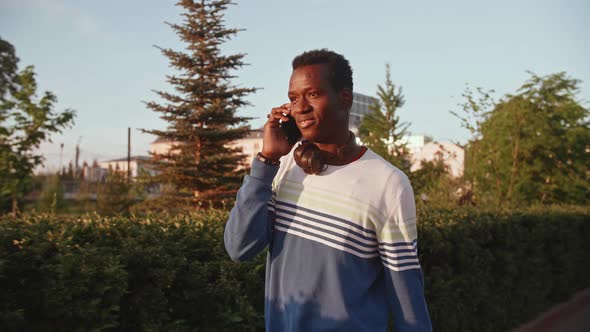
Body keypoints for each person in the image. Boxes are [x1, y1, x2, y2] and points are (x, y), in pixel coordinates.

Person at [224, 49, 432, 331]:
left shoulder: (388, 183)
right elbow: (240, 247)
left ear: (344, 98)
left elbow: (407, 296)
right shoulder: (282, 166)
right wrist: (266, 162)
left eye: (312, 94)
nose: (299, 108)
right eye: (293, 98)